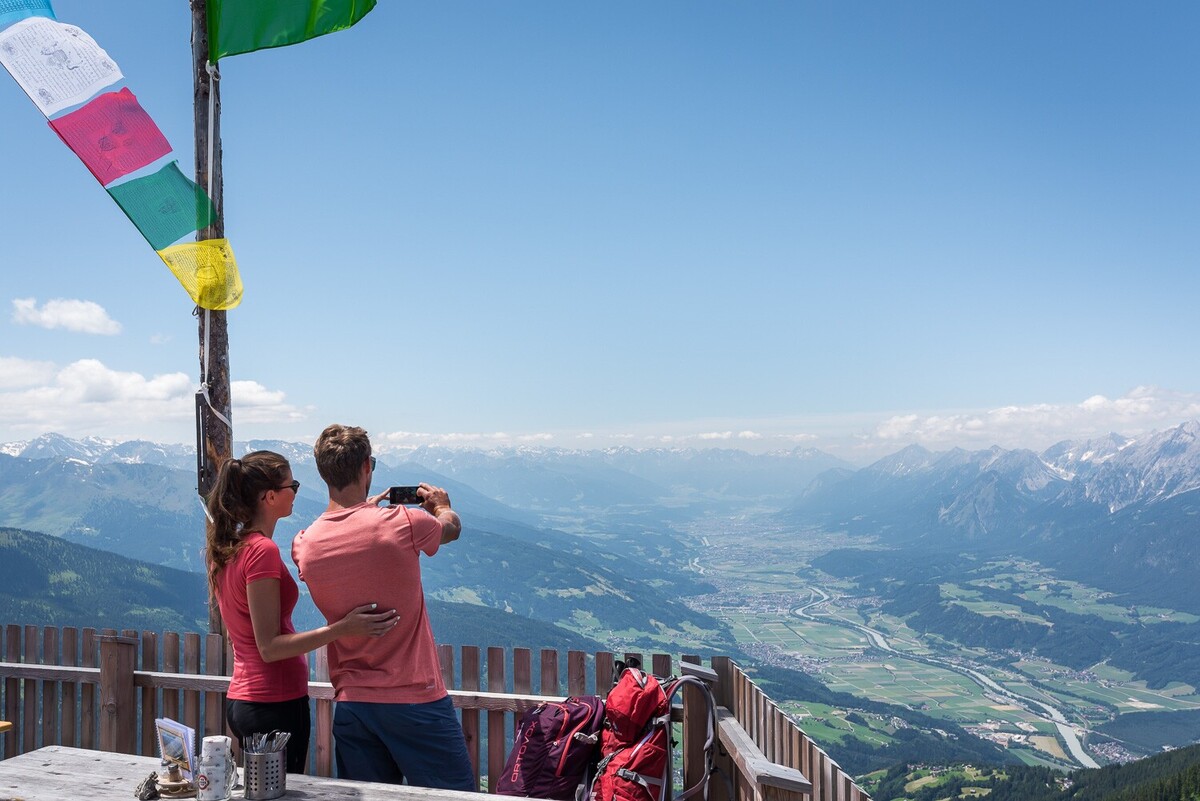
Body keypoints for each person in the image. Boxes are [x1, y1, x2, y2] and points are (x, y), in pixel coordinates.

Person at [291, 424, 474, 790]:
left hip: (354, 705)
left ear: (323, 472)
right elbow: (450, 529)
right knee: (456, 798)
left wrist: (362, 511)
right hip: (415, 699)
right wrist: (441, 505)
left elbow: (350, 546)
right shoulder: (404, 522)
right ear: (366, 467)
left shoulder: (305, 544)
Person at [205, 450, 399, 774]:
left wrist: (362, 515)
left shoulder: (228, 551)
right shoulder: (261, 551)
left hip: (246, 698)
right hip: (273, 703)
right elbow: (269, 647)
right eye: (291, 485)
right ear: (269, 497)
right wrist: (342, 628)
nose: (296, 491)